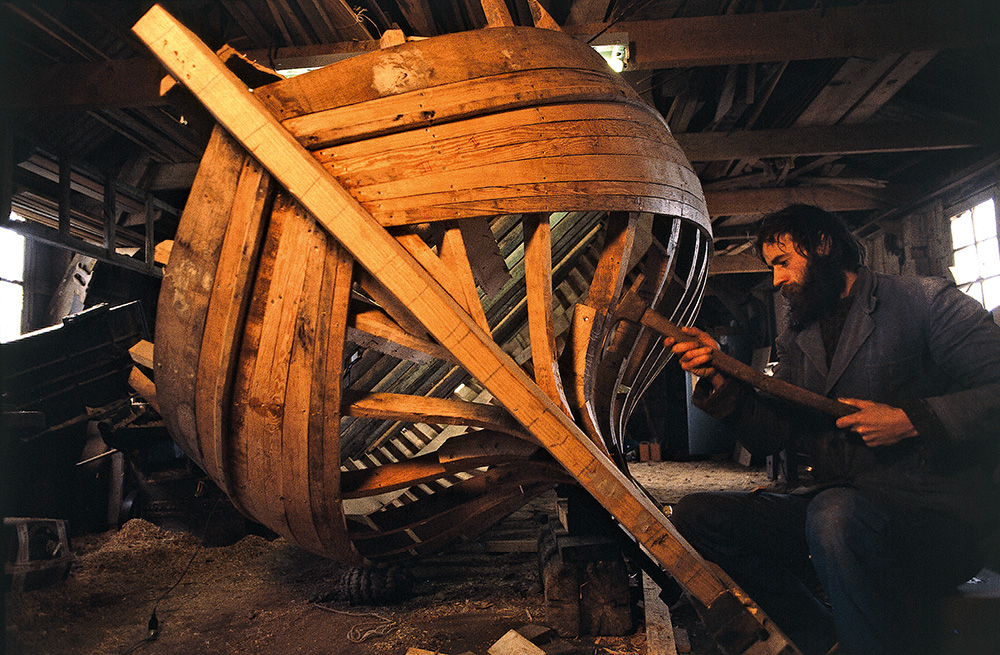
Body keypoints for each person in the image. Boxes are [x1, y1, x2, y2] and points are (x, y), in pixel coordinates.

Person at [665, 205, 1000, 655]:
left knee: (835, 513)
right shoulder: (800, 335)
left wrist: (912, 420)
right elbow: (771, 434)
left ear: (823, 245)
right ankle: (820, 636)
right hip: (839, 510)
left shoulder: (925, 302)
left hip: (934, 523)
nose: (777, 280)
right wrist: (719, 379)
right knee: (699, 515)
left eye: (783, 262)